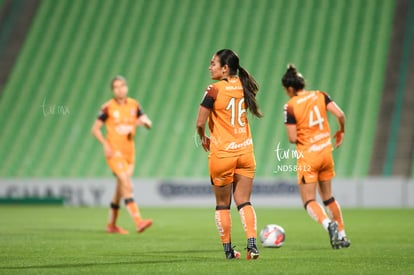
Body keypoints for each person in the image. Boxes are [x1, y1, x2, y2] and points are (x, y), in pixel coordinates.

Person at [196, 49, 263, 260]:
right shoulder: (243, 86)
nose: (210, 67)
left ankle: (228, 251)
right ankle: (252, 246)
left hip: (223, 154)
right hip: (245, 152)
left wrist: (203, 136)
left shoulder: (213, 89)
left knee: (222, 205)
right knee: (244, 201)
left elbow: (199, 123)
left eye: (213, 63)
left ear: (225, 68)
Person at [281, 64, 350, 249]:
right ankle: (342, 235)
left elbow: (292, 137)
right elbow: (340, 114)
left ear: (289, 88)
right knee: (328, 197)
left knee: (309, 200)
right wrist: (341, 131)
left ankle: (329, 225)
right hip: (326, 152)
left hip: (308, 157)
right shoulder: (320, 95)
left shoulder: (290, 106)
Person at [91, 75, 153, 234]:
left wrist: (146, 123)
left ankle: (111, 225)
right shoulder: (108, 107)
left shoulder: (134, 104)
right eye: (116, 87)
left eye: (122, 85)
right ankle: (139, 221)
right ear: (113, 90)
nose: (120, 89)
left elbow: (146, 120)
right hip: (114, 152)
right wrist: (105, 144)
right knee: (127, 184)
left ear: (126, 87)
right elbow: (95, 129)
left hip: (129, 152)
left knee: (119, 190)